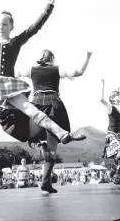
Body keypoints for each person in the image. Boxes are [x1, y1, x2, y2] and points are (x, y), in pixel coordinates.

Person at [0, 0, 86, 181]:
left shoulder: (15, 41)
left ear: (12, 26)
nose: (1, 27)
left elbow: (34, 28)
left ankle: (62, 133)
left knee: (30, 109)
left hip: (7, 85)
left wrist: (49, 7)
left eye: (5, 24)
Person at [14, 49, 92, 193]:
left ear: (40, 58)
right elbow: (80, 72)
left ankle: (40, 147)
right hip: (54, 104)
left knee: (33, 138)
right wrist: (88, 56)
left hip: (36, 104)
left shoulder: (31, 70)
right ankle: (45, 182)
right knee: (53, 146)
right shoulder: (57, 70)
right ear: (52, 59)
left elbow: (14, 72)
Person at [100, 79, 120, 186]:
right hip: (112, 133)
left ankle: (117, 176)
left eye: (119, 95)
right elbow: (101, 99)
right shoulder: (110, 107)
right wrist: (103, 85)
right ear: (112, 99)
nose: (119, 96)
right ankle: (113, 169)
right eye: (117, 95)